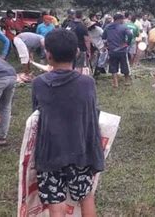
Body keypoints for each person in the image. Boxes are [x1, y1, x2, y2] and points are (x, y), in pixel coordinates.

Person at [31, 29, 104, 216]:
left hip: (50, 154)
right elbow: (92, 113)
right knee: (86, 196)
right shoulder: (87, 83)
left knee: (56, 203)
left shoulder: (39, 83)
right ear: (77, 53)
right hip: (80, 152)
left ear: (48, 55)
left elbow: (36, 115)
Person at [102, 13, 132, 88]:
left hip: (112, 50)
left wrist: (106, 45)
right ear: (119, 19)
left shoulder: (107, 27)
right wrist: (128, 43)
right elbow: (130, 34)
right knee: (125, 65)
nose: (123, 20)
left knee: (113, 65)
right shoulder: (124, 27)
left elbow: (103, 37)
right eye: (122, 19)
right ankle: (127, 81)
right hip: (122, 50)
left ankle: (115, 83)